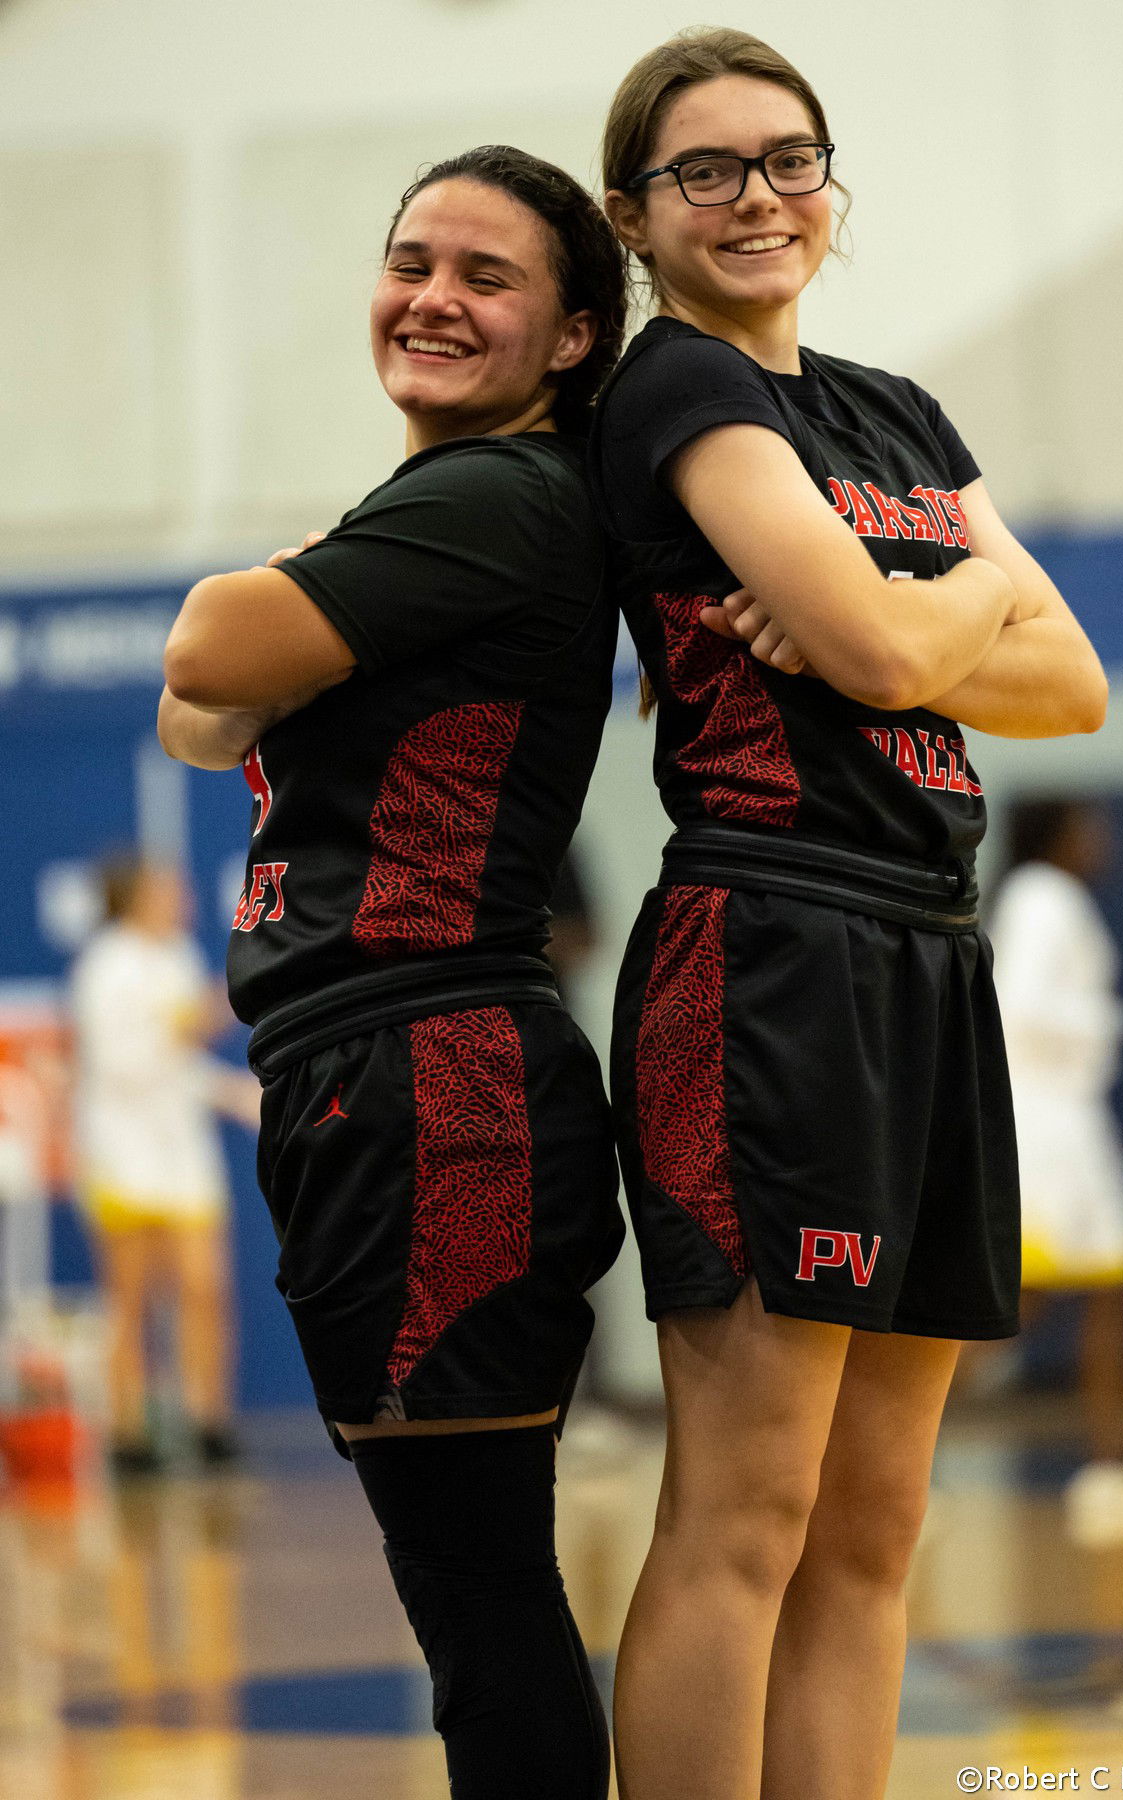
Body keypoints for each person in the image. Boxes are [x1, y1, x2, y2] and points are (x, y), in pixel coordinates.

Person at [591, 29, 1109, 1800]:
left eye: (789, 158)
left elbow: (1081, 683)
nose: (757, 197)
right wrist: (958, 597)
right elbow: (931, 651)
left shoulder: (895, 412)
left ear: (834, 191)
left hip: (927, 954)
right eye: (707, 171)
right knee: (750, 1512)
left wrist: (889, 597)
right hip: (769, 952)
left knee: (878, 1531)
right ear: (636, 221)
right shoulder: (674, 393)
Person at [157, 147, 627, 1799]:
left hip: (437, 1091)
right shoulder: (435, 510)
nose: (431, 295)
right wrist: (251, 635)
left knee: (483, 1608)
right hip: (386, 1086)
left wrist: (259, 617)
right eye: (410, 257)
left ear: (573, 336)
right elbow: (194, 711)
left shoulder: (493, 494)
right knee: (473, 1598)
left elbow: (210, 656)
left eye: (486, 277)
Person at [989, 798, 1123, 1548]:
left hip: (1068, 1117)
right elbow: (1014, 1006)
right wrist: (1102, 1022)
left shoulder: (1046, 898)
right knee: (1018, 1300)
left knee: (1099, 1286)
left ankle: (1113, 1471)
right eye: (1090, 824)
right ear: (1058, 833)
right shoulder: (1043, 896)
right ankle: (879, 1460)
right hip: (1046, 1123)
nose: (1104, 837)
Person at [70, 855, 253, 1472]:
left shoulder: (178, 956)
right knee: (129, 1299)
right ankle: (128, 1436)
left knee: (207, 1291)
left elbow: (181, 1062)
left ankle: (209, 1425)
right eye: (166, 886)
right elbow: (123, 1064)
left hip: (184, 1160)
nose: (181, 894)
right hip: (122, 1156)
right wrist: (188, 1030)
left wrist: (228, 1091)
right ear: (133, 896)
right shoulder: (104, 966)